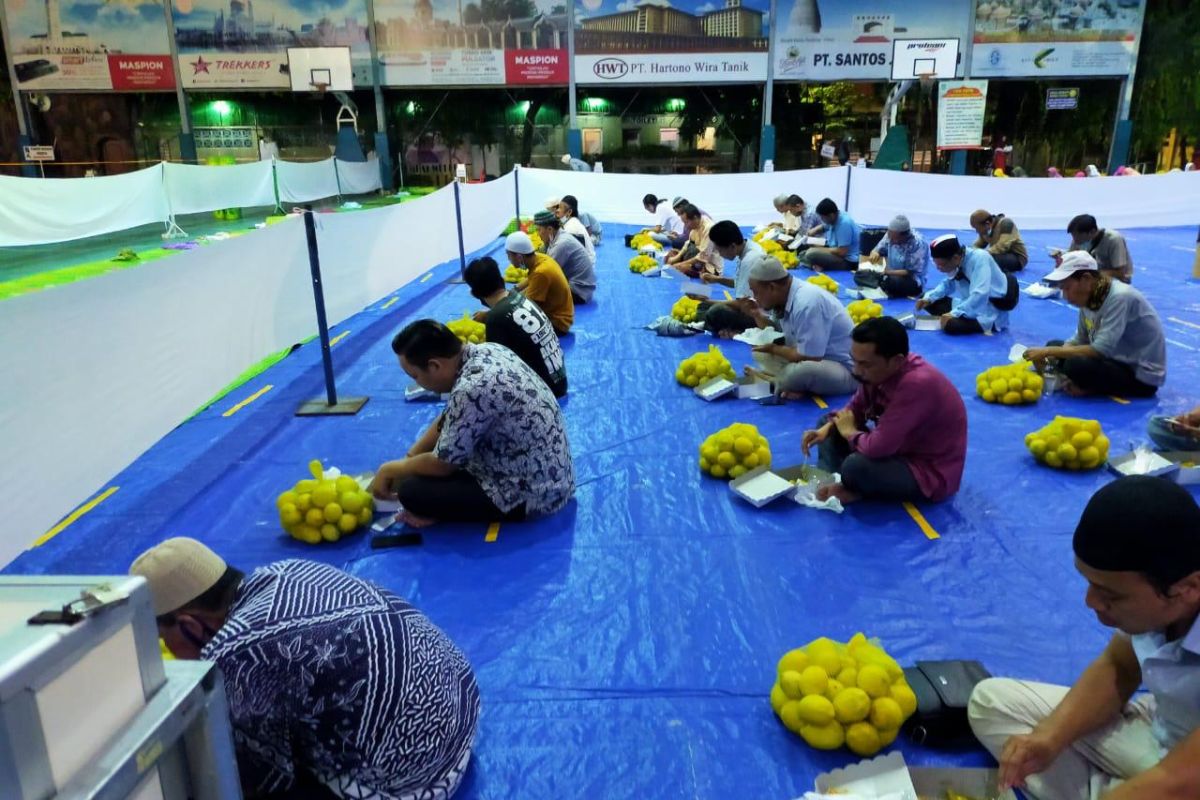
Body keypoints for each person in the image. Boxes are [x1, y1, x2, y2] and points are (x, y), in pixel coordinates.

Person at [131, 537, 480, 800]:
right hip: (463, 712)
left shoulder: (235, 651)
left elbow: (261, 780)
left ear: (190, 624)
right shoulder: (285, 570)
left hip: (418, 777)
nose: (168, 650)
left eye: (163, 637)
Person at [968, 475, 1200, 800]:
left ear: (1188, 589)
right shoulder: (1164, 594)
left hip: (1187, 773)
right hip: (1160, 736)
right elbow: (1119, 665)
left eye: (1110, 596)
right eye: (1088, 583)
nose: (1090, 602)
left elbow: (1180, 782)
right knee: (990, 703)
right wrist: (1050, 737)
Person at [371, 320, 574, 526]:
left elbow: (443, 466)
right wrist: (411, 457)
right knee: (417, 469)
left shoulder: (471, 388)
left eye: (415, 376)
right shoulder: (488, 350)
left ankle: (441, 513)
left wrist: (391, 469)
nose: (417, 383)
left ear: (434, 366)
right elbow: (450, 415)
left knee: (412, 492)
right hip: (552, 473)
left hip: (533, 493)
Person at [800, 317, 966, 506]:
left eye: (866, 364)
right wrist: (829, 428)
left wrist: (849, 433)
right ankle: (836, 482)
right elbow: (855, 408)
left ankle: (853, 485)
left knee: (855, 466)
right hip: (896, 449)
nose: (857, 370)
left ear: (896, 361)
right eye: (855, 361)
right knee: (827, 423)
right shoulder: (876, 374)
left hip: (925, 469)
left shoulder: (917, 384)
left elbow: (878, 448)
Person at [1024, 251, 1165, 398]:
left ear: (1086, 279)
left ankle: (1090, 386)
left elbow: (1100, 350)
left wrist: (1051, 353)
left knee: (1074, 364)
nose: (1065, 296)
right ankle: (1080, 381)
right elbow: (1080, 339)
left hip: (1140, 376)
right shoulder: (1090, 296)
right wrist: (1055, 354)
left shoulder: (1119, 297)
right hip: (1114, 359)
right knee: (1054, 345)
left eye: (1067, 288)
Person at [739, 256, 857, 399]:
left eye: (756, 292)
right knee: (760, 353)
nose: (755, 297)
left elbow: (810, 356)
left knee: (800, 372)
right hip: (811, 358)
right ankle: (791, 384)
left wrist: (774, 349)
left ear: (772, 287)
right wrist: (756, 314)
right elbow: (777, 333)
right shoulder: (784, 297)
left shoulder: (807, 302)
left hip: (842, 368)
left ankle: (772, 383)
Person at [463, 256, 568, 398]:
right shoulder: (521, 298)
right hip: (559, 380)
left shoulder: (496, 319)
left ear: (475, 293)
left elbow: (496, 369)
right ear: (501, 279)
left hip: (545, 391)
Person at [917, 234, 1017, 335]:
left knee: (951, 325)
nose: (938, 268)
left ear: (955, 258)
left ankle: (975, 323)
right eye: (935, 264)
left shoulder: (980, 258)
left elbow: (980, 295)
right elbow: (948, 283)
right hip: (968, 304)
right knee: (926, 299)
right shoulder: (959, 260)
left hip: (988, 312)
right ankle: (952, 316)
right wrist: (929, 298)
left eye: (941, 264)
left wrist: (954, 314)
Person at [504, 231, 574, 334]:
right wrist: (515, 289)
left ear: (519, 257)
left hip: (558, 323)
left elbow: (525, 308)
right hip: (564, 315)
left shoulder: (540, 273)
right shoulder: (540, 258)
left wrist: (492, 314)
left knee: (508, 325)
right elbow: (531, 279)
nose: (508, 259)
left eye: (509, 255)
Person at [533, 209, 595, 303]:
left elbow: (544, 273)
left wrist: (519, 289)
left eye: (539, 230)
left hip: (579, 291)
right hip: (581, 287)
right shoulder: (557, 236)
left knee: (536, 294)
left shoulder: (561, 244)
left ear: (549, 229)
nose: (538, 234)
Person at [859, 214, 929, 298]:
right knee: (860, 274)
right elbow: (878, 249)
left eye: (895, 239)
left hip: (911, 280)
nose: (891, 241)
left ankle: (882, 285)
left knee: (892, 281)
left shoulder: (918, 244)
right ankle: (883, 285)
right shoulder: (890, 235)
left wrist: (887, 272)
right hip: (889, 274)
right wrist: (875, 252)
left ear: (905, 235)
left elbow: (910, 271)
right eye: (890, 236)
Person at [1062, 214, 1134, 283]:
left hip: (1117, 280)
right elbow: (1070, 257)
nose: (1074, 240)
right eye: (1073, 236)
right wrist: (1062, 259)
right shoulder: (1079, 239)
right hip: (1093, 273)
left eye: (1077, 236)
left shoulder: (1114, 240)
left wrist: (1091, 274)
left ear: (1092, 232)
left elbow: (1120, 272)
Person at [703, 220, 765, 299]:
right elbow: (739, 283)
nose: (720, 255)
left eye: (719, 250)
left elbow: (744, 303)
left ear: (732, 246)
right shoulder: (746, 247)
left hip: (757, 307)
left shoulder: (750, 260)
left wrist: (707, 301)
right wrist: (716, 279)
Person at [799, 197, 861, 272]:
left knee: (810, 253)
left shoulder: (844, 224)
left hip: (847, 261)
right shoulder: (836, 215)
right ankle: (817, 264)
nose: (821, 220)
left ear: (831, 215)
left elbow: (842, 252)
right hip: (835, 250)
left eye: (822, 217)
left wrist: (820, 249)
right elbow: (824, 227)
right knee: (803, 253)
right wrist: (814, 230)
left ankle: (819, 265)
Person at [666, 203, 723, 278]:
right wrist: (677, 257)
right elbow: (688, 243)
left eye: (686, 222)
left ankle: (687, 266)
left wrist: (681, 264)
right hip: (695, 256)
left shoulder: (709, 228)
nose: (686, 226)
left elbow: (703, 257)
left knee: (681, 268)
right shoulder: (695, 225)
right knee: (671, 254)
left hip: (708, 265)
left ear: (695, 217)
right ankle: (682, 263)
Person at [969, 209, 1029, 273]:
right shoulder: (985, 230)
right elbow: (978, 245)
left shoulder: (1006, 224)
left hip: (1017, 257)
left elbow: (1002, 247)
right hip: (999, 254)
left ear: (987, 223)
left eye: (977, 228)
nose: (977, 231)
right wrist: (970, 253)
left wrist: (981, 254)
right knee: (977, 259)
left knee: (987, 259)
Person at [547, 195, 596, 261]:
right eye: (558, 207)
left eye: (560, 208)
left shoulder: (572, 228)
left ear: (569, 212)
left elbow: (572, 256)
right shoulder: (569, 223)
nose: (557, 211)